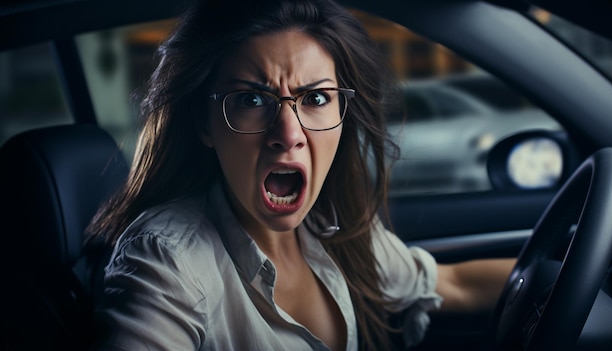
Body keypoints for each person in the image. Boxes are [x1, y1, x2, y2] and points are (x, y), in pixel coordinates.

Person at [86, 0, 515, 350]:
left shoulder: (337, 231)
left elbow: (453, 285)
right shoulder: (166, 261)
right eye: (252, 99)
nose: (288, 135)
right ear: (205, 124)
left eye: (315, 97)